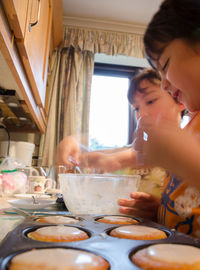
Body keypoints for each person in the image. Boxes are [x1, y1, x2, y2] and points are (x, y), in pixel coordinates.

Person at [56, 68, 185, 222]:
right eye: (136, 108)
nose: (141, 114)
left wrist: (160, 210)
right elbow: (99, 158)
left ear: (180, 99)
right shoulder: (129, 151)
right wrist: (72, 143)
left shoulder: (190, 153)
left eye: (150, 101)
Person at [129, 0, 200, 236]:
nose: (166, 84)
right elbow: (188, 207)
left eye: (165, 64)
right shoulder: (192, 127)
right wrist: (158, 211)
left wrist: (188, 159)